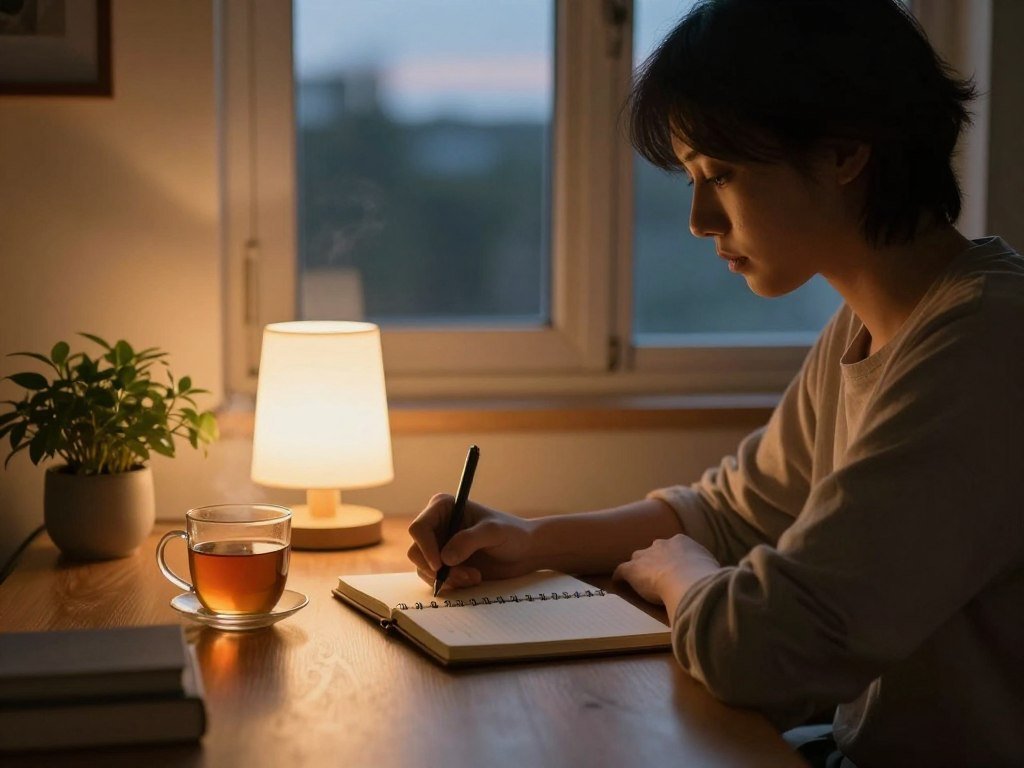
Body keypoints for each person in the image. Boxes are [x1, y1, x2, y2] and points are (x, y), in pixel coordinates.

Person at [408, 1, 1024, 765]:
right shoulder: (871, 326)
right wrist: (533, 540)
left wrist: (681, 574)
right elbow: (736, 511)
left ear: (844, 152)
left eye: (721, 175)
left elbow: (765, 647)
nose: (700, 218)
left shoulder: (987, 342)